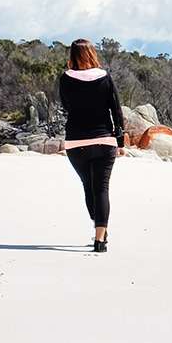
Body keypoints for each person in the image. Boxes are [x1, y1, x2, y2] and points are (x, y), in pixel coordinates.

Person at [56, 39, 126, 253]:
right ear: (92, 54)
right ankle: (100, 239)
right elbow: (116, 110)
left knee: (89, 187)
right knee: (101, 189)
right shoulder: (105, 77)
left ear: (72, 55)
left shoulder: (65, 79)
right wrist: (120, 141)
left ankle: (100, 228)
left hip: (76, 142)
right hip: (104, 140)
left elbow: (66, 106)